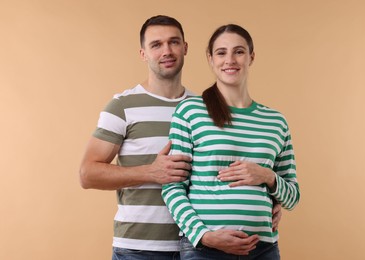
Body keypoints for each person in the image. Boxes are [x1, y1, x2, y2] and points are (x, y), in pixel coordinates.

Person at [79, 15, 283, 260]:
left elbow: (229, 169)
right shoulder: (123, 106)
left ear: (185, 48)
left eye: (174, 42)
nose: (167, 51)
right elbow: (87, 174)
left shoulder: (206, 109)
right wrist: (149, 172)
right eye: (156, 45)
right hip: (140, 247)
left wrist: (268, 200)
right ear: (143, 53)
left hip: (200, 245)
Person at [162, 24, 300, 260]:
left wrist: (267, 176)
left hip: (263, 250)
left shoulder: (276, 122)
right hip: (205, 250)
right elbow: (172, 187)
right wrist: (203, 235)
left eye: (239, 51)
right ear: (210, 58)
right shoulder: (190, 111)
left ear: (251, 57)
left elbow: (292, 197)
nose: (230, 60)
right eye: (221, 52)